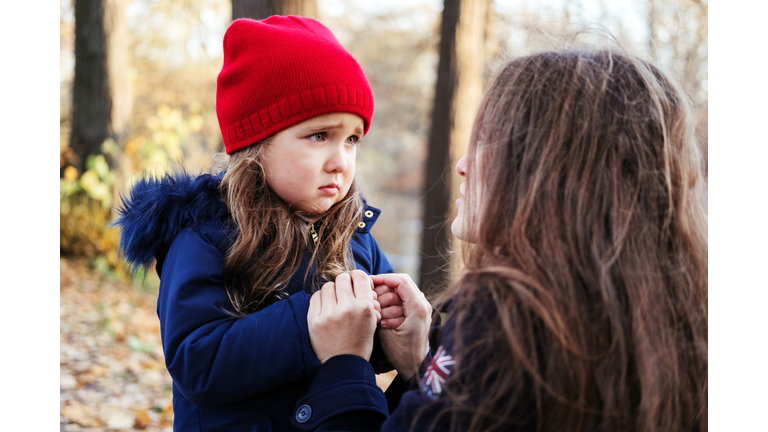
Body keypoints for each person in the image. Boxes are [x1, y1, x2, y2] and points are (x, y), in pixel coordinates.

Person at [293, 47, 708, 432]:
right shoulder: (674, 322)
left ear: (551, 172)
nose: (461, 164)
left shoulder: (509, 321)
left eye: (491, 141)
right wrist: (424, 366)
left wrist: (344, 364)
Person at [114, 16, 405, 431]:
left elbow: (362, 347)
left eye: (352, 139)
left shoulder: (354, 236)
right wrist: (308, 328)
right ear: (257, 142)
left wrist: (395, 324)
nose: (341, 161)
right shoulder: (206, 237)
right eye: (319, 135)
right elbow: (197, 362)